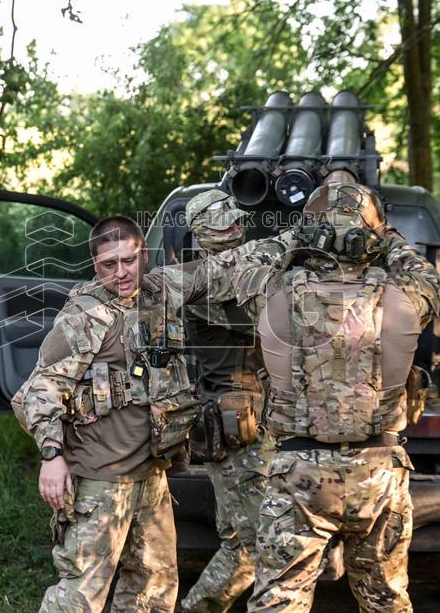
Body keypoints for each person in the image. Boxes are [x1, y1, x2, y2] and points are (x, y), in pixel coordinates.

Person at [13, 214, 297, 613]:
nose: (121, 273)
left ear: (142, 254)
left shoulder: (160, 289)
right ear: (95, 265)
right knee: (79, 596)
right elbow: (39, 390)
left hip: (150, 475)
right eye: (108, 265)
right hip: (101, 480)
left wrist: (297, 238)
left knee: (153, 589)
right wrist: (51, 455)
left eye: (128, 260)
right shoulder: (85, 316)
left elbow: (224, 267)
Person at [246, 182, 440, 612]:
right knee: (386, 600)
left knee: (280, 600)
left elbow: (244, 268)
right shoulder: (404, 298)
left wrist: (296, 236)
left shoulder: (273, 293)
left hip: (299, 474)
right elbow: (431, 279)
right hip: (379, 472)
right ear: (371, 236)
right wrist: (387, 237)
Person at [179, 189, 276, 612]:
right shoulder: (207, 285)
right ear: (201, 234)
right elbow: (271, 319)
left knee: (242, 545)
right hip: (238, 432)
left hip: (255, 425)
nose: (235, 227)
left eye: (236, 220)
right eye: (223, 224)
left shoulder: (242, 269)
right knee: (267, 547)